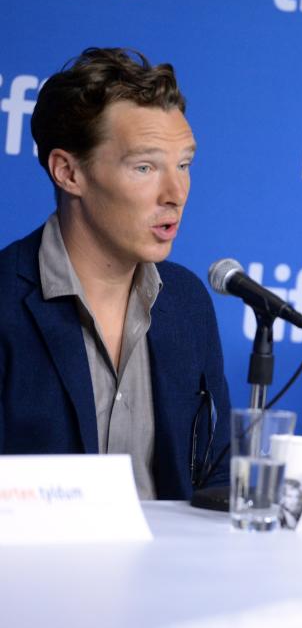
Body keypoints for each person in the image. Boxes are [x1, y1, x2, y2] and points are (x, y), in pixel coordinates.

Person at [0, 48, 231, 499]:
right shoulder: (5, 297)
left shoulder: (187, 302)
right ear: (68, 172)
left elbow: (215, 476)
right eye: (144, 167)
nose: (175, 193)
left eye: (184, 165)